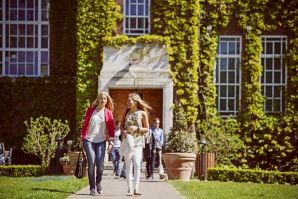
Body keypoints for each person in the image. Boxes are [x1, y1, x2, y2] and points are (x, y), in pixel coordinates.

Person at [80, 91, 115, 196]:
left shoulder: (108, 113)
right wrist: (82, 138)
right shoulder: (90, 110)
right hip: (88, 139)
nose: (103, 100)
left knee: (100, 165)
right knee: (91, 163)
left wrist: (111, 142)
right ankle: (92, 188)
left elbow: (111, 128)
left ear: (106, 100)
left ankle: (98, 182)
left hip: (101, 140)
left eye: (105, 98)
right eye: (101, 98)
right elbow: (85, 124)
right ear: (98, 99)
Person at [120, 93, 151, 196]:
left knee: (137, 164)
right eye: (127, 100)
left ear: (135, 101)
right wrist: (123, 132)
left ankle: (136, 188)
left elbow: (147, 129)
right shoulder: (126, 111)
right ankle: (129, 189)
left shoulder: (142, 113)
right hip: (128, 141)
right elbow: (121, 125)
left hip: (138, 141)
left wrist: (136, 128)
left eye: (130, 100)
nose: (128, 102)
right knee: (128, 165)